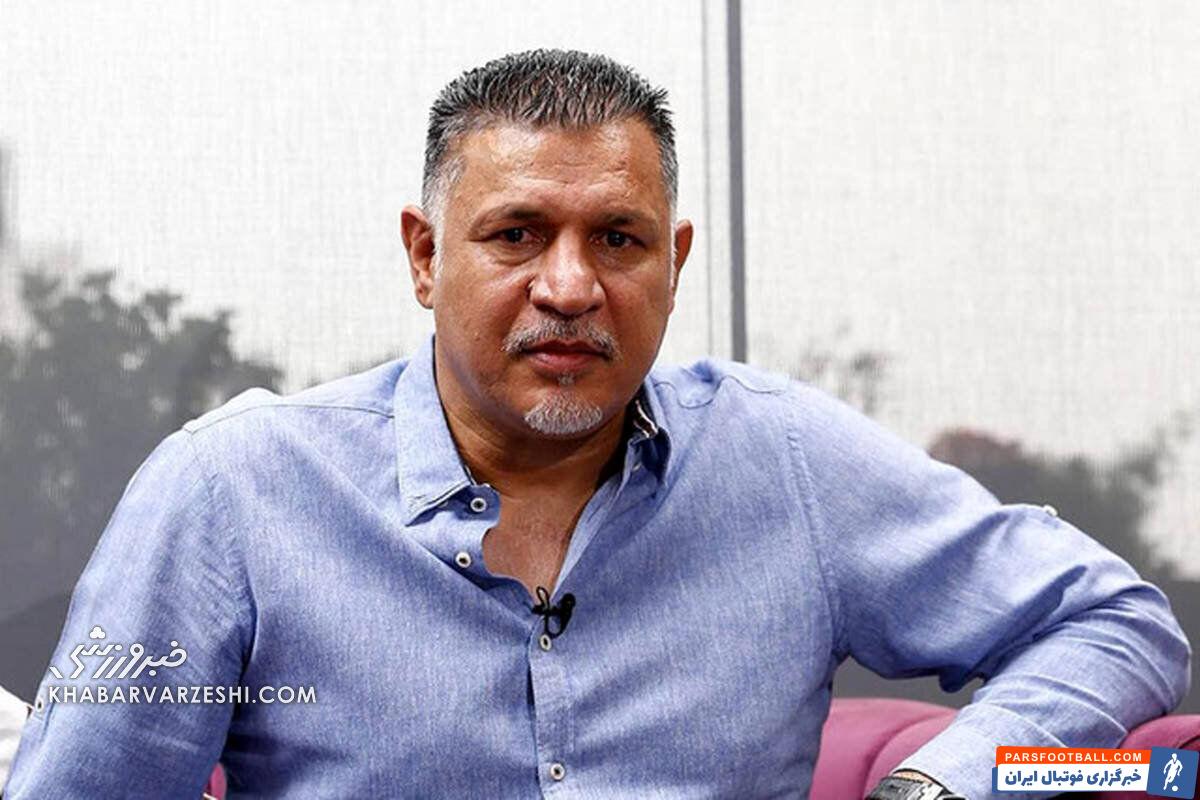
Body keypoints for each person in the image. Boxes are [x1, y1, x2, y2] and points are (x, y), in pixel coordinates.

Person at [3, 49, 1190, 800]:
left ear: (673, 263)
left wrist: (943, 782)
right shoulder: (232, 492)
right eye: (517, 234)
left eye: (618, 239)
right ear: (425, 256)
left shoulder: (785, 462)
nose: (570, 286)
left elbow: (1115, 621)